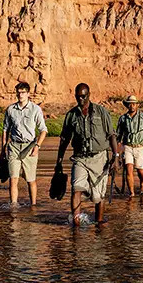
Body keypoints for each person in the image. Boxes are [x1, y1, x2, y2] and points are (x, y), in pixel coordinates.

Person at [55, 83, 121, 226]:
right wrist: (58, 161)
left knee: (98, 197)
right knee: (76, 189)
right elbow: (64, 139)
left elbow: (111, 135)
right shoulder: (71, 115)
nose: (80, 99)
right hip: (80, 158)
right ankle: (76, 224)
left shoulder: (101, 112)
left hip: (99, 158)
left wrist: (116, 158)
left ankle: (99, 224)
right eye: (78, 97)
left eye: (83, 96)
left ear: (89, 95)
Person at [1, 82, 48, 207]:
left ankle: (33, 206)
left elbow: (43, 130)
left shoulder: (35, 109)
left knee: (30, 180)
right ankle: (14, 206)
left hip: (30, 147)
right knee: (13, 179)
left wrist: (37, 146)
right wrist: (3, 149)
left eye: (23, 92)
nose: (20, 95)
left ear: (28, 94)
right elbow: (5, 130)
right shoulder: (10, 110)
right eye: (18, 92)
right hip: (14, 147)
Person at [116, 95, 143, 196]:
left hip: (139, 147)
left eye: (134, 104)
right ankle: (132, 193)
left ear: (137, 105)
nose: (132, 106)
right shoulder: (123, 118)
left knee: (141, 172)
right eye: (130, 104)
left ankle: (142, 182)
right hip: (127, 147)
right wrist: (118, 149)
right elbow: (118, 134)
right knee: (129, 169)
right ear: (127, 105)